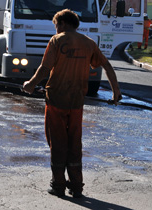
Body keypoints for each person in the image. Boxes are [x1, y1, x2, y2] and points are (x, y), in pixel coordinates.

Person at [23, 9, 122, 198]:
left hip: (56, 100)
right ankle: (77, 186)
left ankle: (58, 184)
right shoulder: (88, 43)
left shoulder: (57, 41)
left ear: (62, 24)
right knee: (74, 143)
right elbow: (107, 66)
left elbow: (45, 68)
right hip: (77, 102)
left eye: (56, 26)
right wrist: (116, 91)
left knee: (57, 142)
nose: (56, 30)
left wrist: (30, 84)